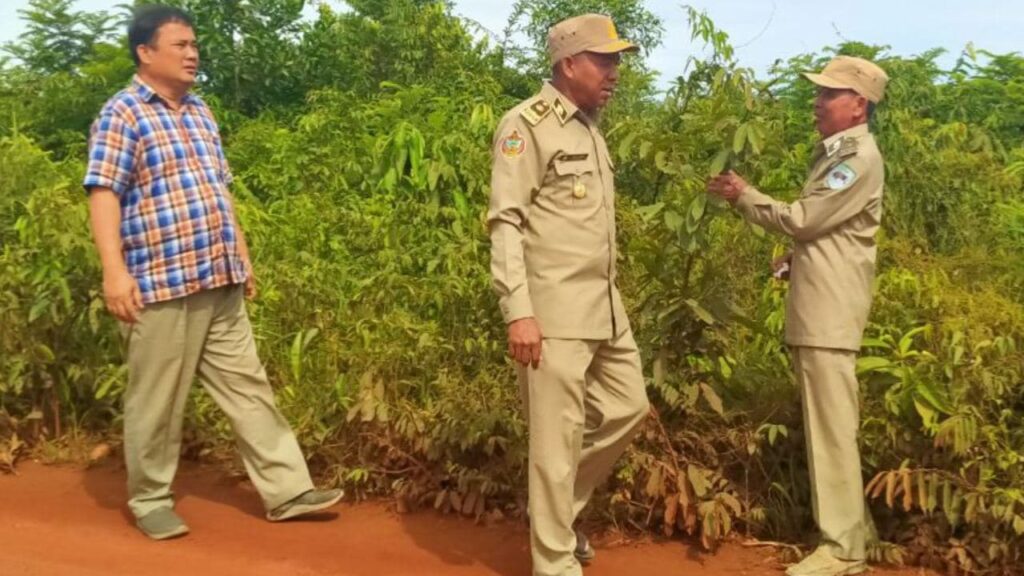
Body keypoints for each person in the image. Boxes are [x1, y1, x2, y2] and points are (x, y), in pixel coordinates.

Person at [84, 5, 341, 540]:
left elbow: (218, 190)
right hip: (159, 284)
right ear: (145, 52)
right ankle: (151, 499)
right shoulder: (123, 114)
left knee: (249, 387)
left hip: (216, 276)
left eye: (194, 44)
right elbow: (104, 192)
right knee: (157, 401)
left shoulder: (200, 111)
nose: (192, 54)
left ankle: (288, 491)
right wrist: (114, 272)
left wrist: (241, 256)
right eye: (179, 45)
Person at [707, 55, 889, 576]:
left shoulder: (857, 159)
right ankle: (855, 535)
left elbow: (805, 219)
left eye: (829, 94)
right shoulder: (839, 154)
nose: (817, 102)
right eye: (819, 93)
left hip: (829, 316)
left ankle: (843, 549)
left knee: (830, 431)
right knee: (832, 427)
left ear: (858, 105)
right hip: (822, 311)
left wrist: (745, 195)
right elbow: (832, 232)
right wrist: (799, 260)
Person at [487, 14, 650, 576]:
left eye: (617, 60)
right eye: (605, 60)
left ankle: (553, 515)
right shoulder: (526, 125)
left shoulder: (588, 126)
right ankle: (554, 561)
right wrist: (519, 312)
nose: (615, 72)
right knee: (555, 442)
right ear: (570, 64)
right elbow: (506, 222)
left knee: (629, 408)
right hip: (552, 312)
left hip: (604, 308)